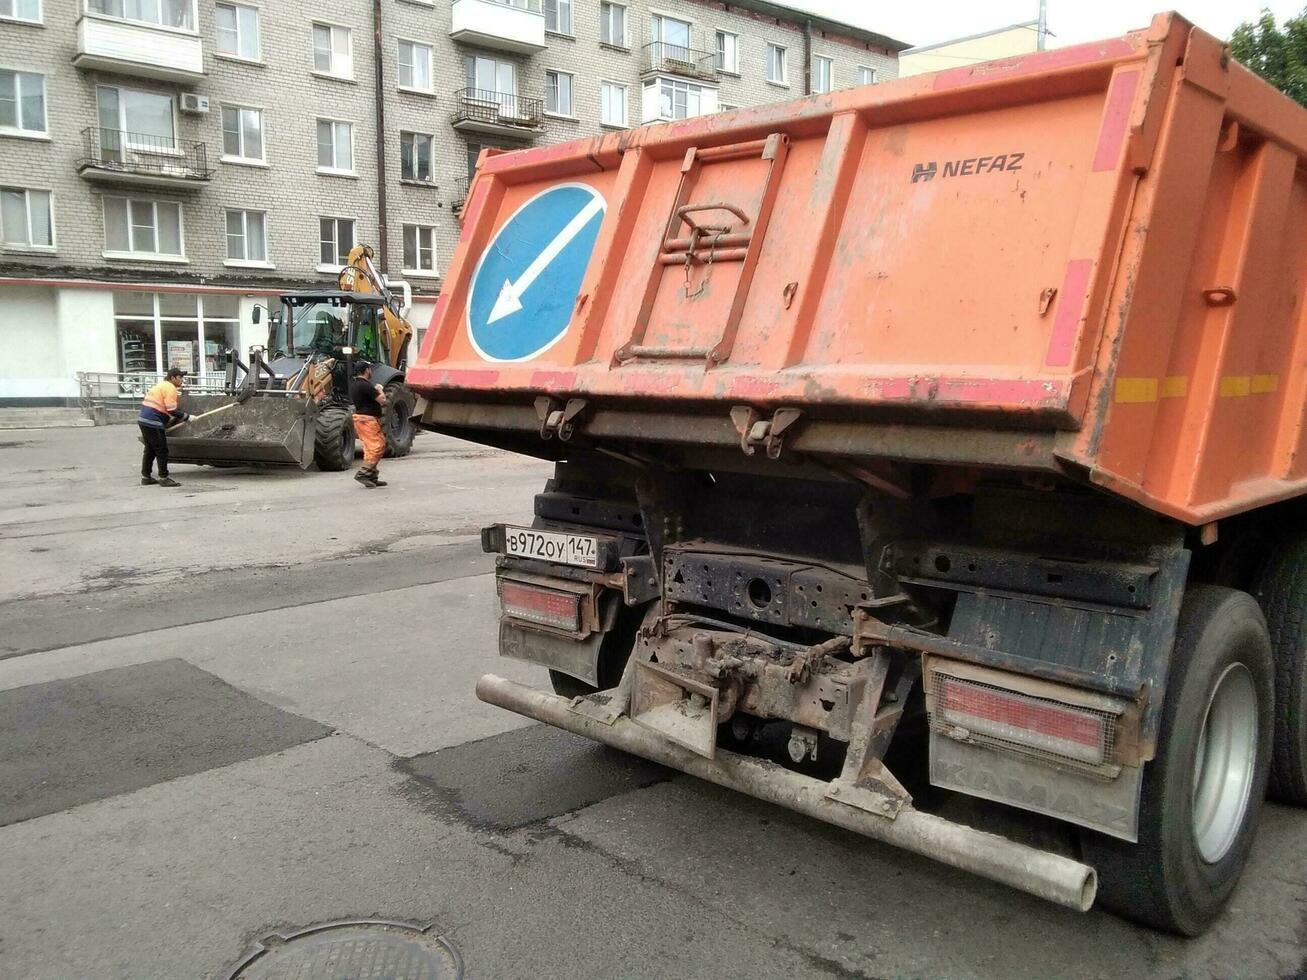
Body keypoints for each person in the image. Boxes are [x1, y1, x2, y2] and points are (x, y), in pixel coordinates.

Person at [138, 367, 192, 487]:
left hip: (143, 419)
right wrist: (187, 417)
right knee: (161, 450)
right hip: (153, 421)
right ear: (173, 378)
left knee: (150, 449)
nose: (182, 380)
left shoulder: (161, 385)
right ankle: (164, 478)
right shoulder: (170, 388)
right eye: (180, 377)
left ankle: (145, 476)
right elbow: (172, 409)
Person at [349, 361, 389, 488]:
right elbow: (382, 400)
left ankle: (372, 476)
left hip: (363, 420)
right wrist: (380, 390)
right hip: (367, 421)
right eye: (370, 369)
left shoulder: (355, 385)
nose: (371, 371)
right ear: (366, 370)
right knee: (376, 447)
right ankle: (363, 473)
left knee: (371, 447)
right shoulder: (365, 386)